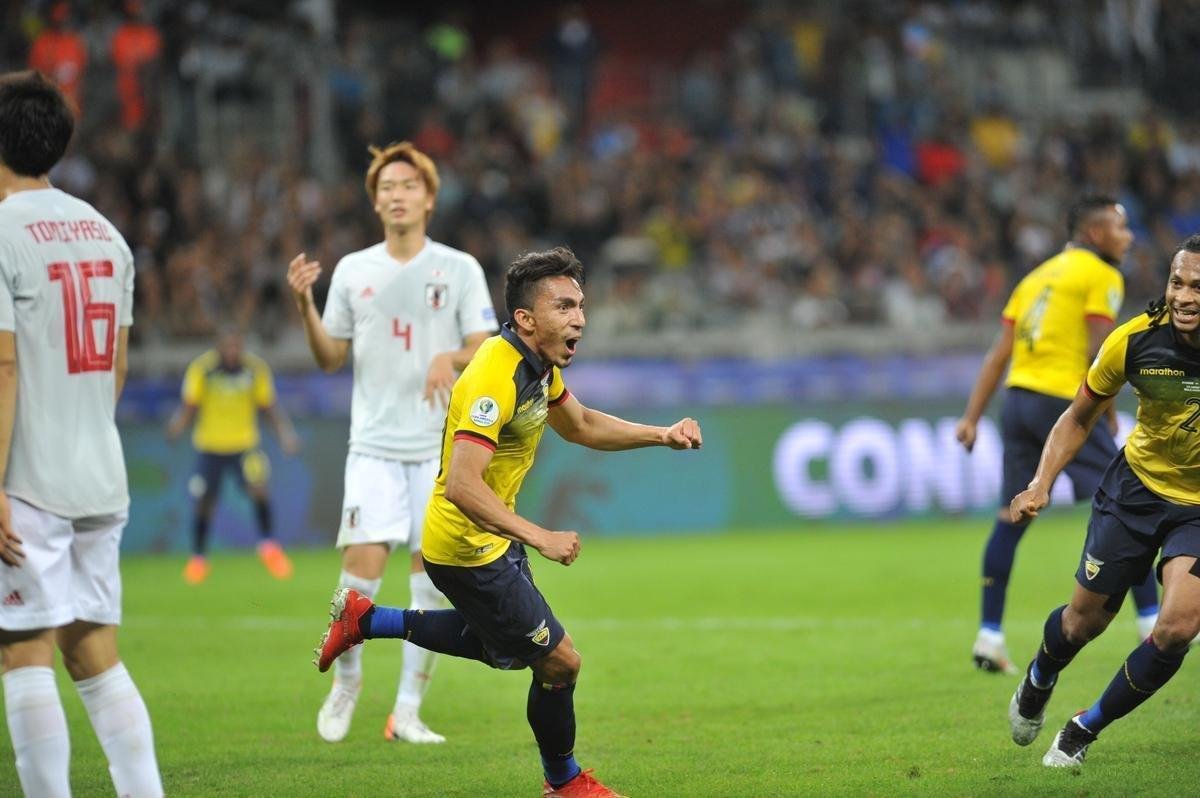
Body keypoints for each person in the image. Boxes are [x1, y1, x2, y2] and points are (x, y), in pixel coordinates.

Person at [313, 247, 703, 798]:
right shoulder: (494, 377)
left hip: (491, 537)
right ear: (526, 319)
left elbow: (583, 424)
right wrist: (539, 535)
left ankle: (365, 619)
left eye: (580, 306)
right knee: (560, 663)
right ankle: (563, 782)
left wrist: (661, 434)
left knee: (505, 649)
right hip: (467, 547)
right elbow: (462, 485)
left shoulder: (536, 367)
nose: (579, 319)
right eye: (564, 307)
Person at [286, 141, 498, 745]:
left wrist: (448, 356)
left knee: (430, 583)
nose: (396, 195)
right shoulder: (354, 270)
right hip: (375, 446)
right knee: (361, 579)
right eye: (385, 188)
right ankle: (347, 679)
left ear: (428, 198)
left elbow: (484, 345)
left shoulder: (457, 268)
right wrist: (305, 303)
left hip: (438, 449)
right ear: (375, 202)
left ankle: (405, 712)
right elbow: (329, 357)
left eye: (407, 186)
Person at [0, 70, 162, 797]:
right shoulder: (106, 231)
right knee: (95, 654)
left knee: (22, 650)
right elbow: (117, 366)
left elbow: (4, 365)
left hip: (28, 478)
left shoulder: (2, 232)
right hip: (100, 470)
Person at [1007, 234, 1200, 767]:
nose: (1184, 296)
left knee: (1177, 626)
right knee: (1082, 623)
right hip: (1136, 492)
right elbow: (1078, 416)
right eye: (1177, 282)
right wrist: (1041, 482)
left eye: (1198, 287)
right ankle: (1041, 674)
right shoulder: (1135, 340)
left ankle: (1083, 729)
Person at [955, 194, 1158, 674]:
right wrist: (1105, 413)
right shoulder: (1101, 274)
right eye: (1120, 227)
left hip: (1019, 402)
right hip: (1063, 403)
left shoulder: (1033, 278)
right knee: (1132, 504)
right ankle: (1152, 621)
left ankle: (989, 635)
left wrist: (971, 417)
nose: (1128, 237)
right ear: (1094, 234)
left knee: (1012, 515)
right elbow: (1101, 350)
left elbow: (998, 354)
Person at [166, 327, 300, 584]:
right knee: (204, 501)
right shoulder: (202, 370)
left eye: (236, 346)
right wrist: (177, 426)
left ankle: (269, 548)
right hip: (210, 446)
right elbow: (189, 405)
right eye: (226, 346)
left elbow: (269, 407)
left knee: (259, 489)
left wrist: (286, 435)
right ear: (217, 346)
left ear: (242, 345)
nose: (231, 351)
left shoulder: (254, 369)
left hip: (244, 445)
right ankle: (198, 559)